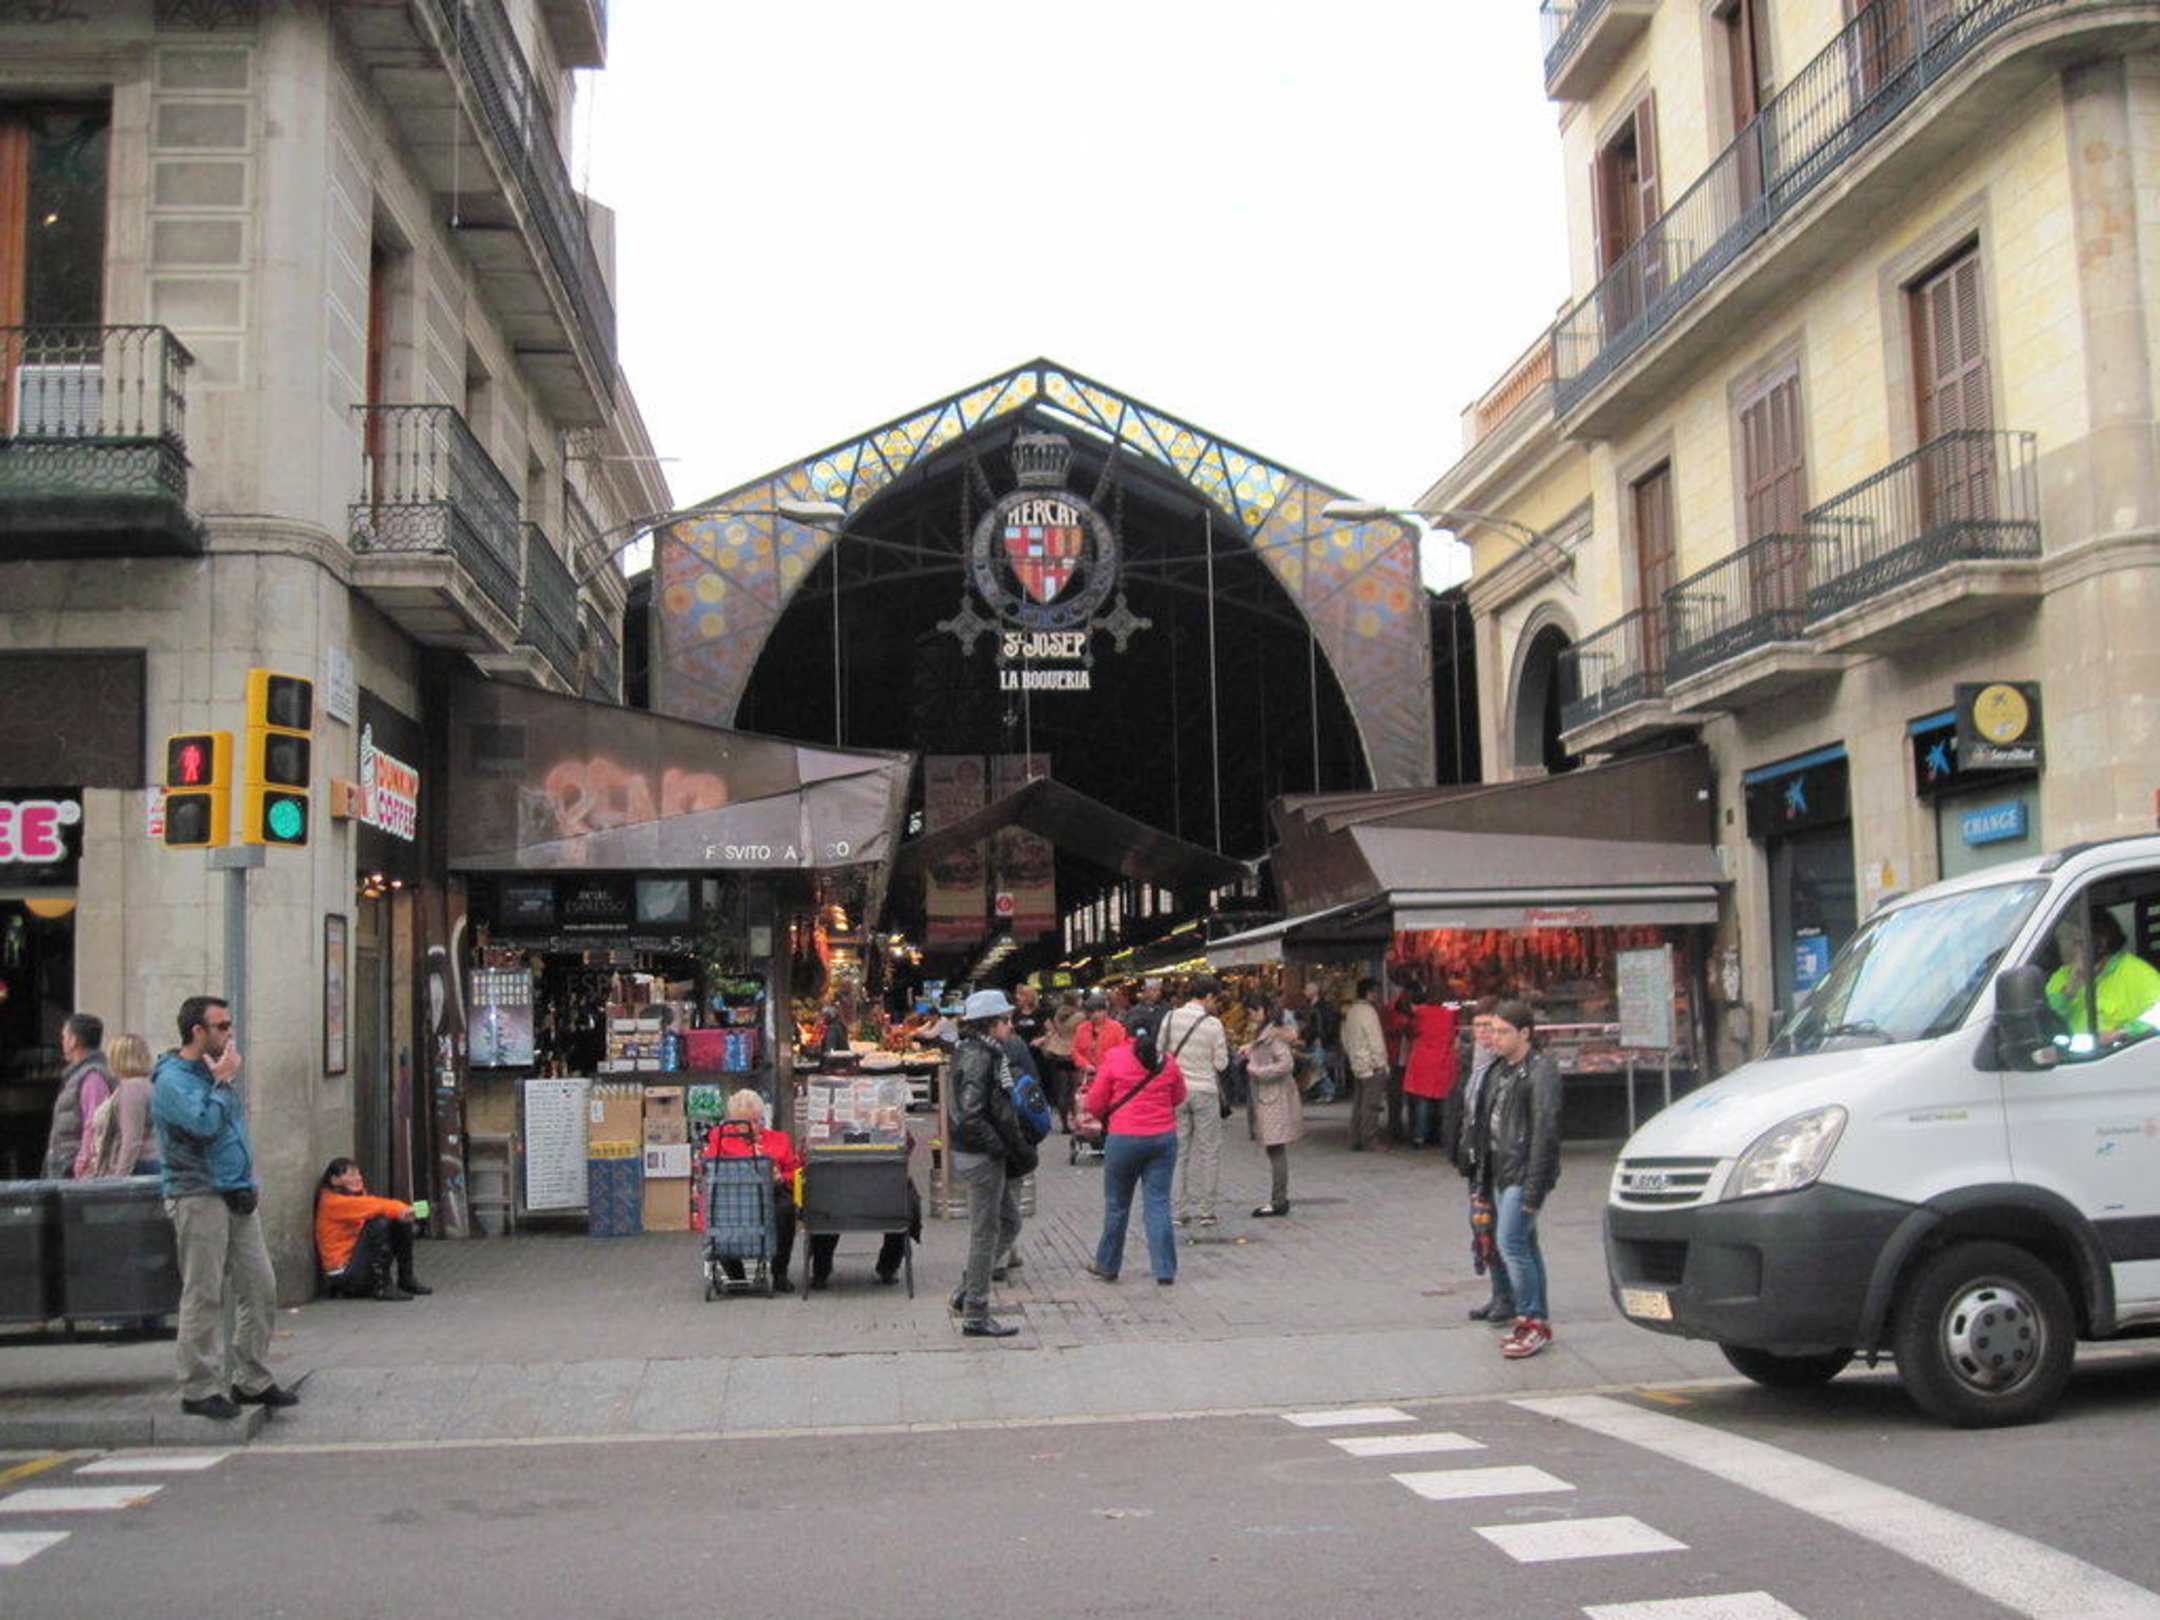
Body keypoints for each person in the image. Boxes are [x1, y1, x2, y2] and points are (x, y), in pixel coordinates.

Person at [151, 995, 296, 1420]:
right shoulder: (173, 1080)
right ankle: (198, 1387)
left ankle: (251, 1376)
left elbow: (233, 1132)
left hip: (235, 1193)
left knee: (260, 1286)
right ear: (197, 1031)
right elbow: (203, 1126)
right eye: (221, 1026)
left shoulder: (213, 1074)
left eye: (229, 1025)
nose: (230, 1033)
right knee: (204, 1292)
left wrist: (248, 1179)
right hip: (198, 1194)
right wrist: (221, 1083)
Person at [1476, 1000, 1562, 1359]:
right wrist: (1481, 1179)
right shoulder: (1499, 1071)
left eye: (1503, 1031)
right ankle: (1535, 1320)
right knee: (1525, 1244)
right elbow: (1487, 1128)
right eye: (1492, 1030)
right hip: (1503, 1169)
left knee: (1510, 1242)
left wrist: (1533, 1187)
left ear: (1524, 1033)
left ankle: (1530, 1319)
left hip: (1523, 1172)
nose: (1494, 1037)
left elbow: (1545, 1131)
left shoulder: (1540, 1071)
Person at [947, 989, 1036, 1338]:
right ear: (990, 1023)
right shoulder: (979, 1056)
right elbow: (971, 1114)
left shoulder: (980, 1052)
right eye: (1005, 1020)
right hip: (980, 1155)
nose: (1010, 1025)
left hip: (980, 1152)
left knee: (1010, 1222)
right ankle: (976, 1312)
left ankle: (968, 1290)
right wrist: (998, 1146)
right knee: (986, 1233)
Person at [1082, 1017, 1187, 1285]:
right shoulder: (1168, 1061)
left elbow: (1095, 1102)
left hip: (1123, 1139)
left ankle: (1107, 1265)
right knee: (1158, 1203)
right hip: (1162, 1139)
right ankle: (1164, 1270)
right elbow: (1179, 1097)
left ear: (1125, 1032)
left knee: (1117, 1204)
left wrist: (1105, 1116)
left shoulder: (1114, 1058)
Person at [1451, 1000, 1513, 1324]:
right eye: (1478, 1027)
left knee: (1502, 1231)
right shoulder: (1474, 1064)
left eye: (1490, 1027)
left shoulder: (1505, 1067)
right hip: (1478, 1160)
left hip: (1499, 1159)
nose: (1484, 1034)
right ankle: (1499, 1292)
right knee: (1483, 1227)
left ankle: (1511, 1297)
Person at [703, 1089, 802, 1290]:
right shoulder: (720, 1139)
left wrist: (781, 1177)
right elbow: (710, 1171)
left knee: (785, 1210)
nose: (753, 1127)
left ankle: (780, 1272)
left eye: (757, 1121)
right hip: (733, 1196)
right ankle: (735, 1273)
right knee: (719, 1215)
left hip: (771, 1194)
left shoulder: (778, 1139)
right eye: (745, 1122)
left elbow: (794, 1170)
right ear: (732, 1121)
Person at [1162, 977, 1231, 1227]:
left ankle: (1178, 1211)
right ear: (1209, 996)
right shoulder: (1213, 1024)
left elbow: (1161, 1053)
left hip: (1177, 1092)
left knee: (1179, 1152)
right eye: (1215, 999)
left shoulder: (1170, 1018)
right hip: (1205, 1091)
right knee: (1209, 1151)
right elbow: (1221, 1063)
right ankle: (1206, 1211)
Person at [314, 1158, 431, 1300]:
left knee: (399, 1220)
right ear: (334, 1180)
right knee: (379, 1222)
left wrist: (404, 1212)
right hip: (345, 1275)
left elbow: (375, 1204)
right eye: (351, 1175)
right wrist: (403, 1209)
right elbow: (376, 1206)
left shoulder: (354, 1196)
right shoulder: (333, 1202)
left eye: (358, 1174)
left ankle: (406, 1279)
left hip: (357, 1266)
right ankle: (382, 1287)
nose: (358, 1178)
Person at [2046, 908, 2160, 1047]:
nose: (2065, 946)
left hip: (2121, 1054)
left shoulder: (2137, 973)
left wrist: (2120, 1033)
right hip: (2073, 1055)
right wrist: (2070, 989)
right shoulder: (2062, 975)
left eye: (2076, 941)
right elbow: (2045, 1021)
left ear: (2100, 943)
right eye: (2061, 938)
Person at [1243, 1000, 1307, 1217]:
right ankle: (1279, 1199)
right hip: (1272, 1096)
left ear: (1261, 1011)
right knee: (1274, 1148)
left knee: (1275, 1148)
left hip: (1273, 1097)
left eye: (1252, 1012)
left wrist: (1257, 1070)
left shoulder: (1272, 1036)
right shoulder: (1269, 1034)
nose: (1250, 1016)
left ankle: (1278, 1200)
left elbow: (1286, 1063)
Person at [81, 1032, 159, 1179]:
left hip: (138, 1166)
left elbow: (131, 1139)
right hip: (145, 1164)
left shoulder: (132, 1089)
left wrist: (120, 1179)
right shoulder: (146, 1085)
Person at [45, 1012, 113, 1179]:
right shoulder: (76, 1075)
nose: (62, 1042)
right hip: (65, 1166)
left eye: (64, 1037)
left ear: (73, 1040)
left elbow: (94, 1124)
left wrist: (83, 1166)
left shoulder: (92, 1077)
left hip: (74, 1172)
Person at [1400, 980, 1461, 1149]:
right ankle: (1443, 1136)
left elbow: (1410, 1030)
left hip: (1422, 1060)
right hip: (1443, 1059)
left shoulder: (1420, 1012)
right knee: (1443, 1101)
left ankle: (1419, 1137)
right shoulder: (1450, 1013)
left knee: (1422, 1101)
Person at [1342, 977, 1391, 1153]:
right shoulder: (1369, 1012)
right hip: (1371, 1065)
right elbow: (1376, 1041)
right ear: (1369, 993)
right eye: (1376, 992)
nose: (1378, 995)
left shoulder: (1351, 1011)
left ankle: (1355, 1138)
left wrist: (1353, 1057)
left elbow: (1345, 1038)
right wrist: (1381, 1063)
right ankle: (1370, 1139)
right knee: (1371, 1104)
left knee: (1359, 1103)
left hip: (1357, 1063)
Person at [1038, 991, 1080, 1130]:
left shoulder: (1058, 1014)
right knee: (1073, 1090)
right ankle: (1075, 1120)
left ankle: (1064, 1124)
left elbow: (1055, 1031)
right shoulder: (1079, 1016)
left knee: (1062, 1090)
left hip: (1058, 1053)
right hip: (1073, 1052)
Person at [1124, 978, 1168, 1044]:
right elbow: (1133, 1029)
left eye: (1159, 990)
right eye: (1154, 990)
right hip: (1144, 1046)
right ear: (1146, 990)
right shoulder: (1136, 1011)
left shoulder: (1165, 1008)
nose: (1158, 993)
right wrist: (1144, 1039)